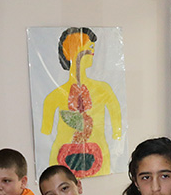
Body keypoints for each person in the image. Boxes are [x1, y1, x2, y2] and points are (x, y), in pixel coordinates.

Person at [40, 27, 124, 178]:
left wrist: (117, 138)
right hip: (62, 157)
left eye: (93, 48)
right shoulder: (53, 97)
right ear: (73, 52)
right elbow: (45, 133)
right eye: (89, 48)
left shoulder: (104, 89)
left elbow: (117, 121)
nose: (93, 53)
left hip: (99, 157)